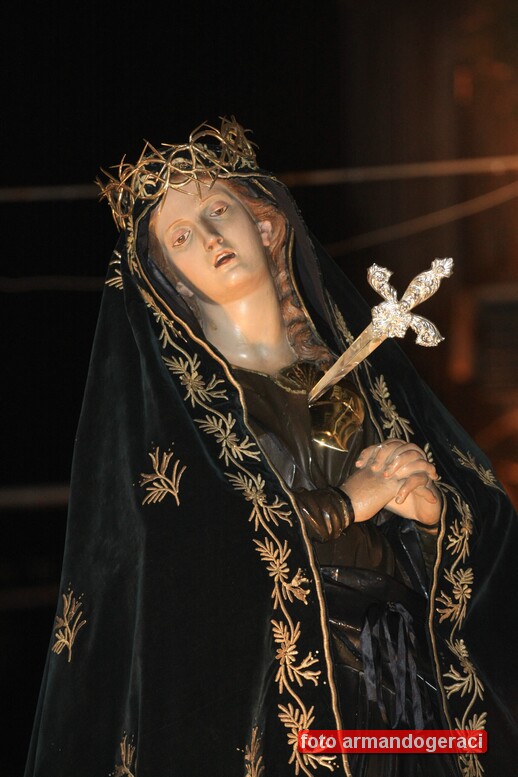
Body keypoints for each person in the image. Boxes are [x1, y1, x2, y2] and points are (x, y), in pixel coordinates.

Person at [25, 118, 518, 777]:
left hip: (403, 685)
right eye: (181, 236)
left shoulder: (348, 381)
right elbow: (192, 561)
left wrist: (426, 517)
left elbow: (471, 533)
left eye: (217, 209)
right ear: (171, 278)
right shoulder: (183, 417)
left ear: (264, 224)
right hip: (283, 700)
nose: (210, 237)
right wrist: (346, 504)